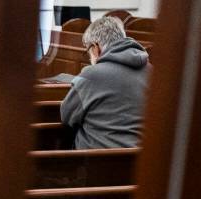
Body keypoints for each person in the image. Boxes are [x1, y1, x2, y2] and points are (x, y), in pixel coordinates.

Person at [60, 16, 150, 149]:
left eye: (88, 51)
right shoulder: (152, 72)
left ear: (96, 48)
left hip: (96, 165)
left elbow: (66, 117)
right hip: (142, 164)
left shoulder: (90, 75)